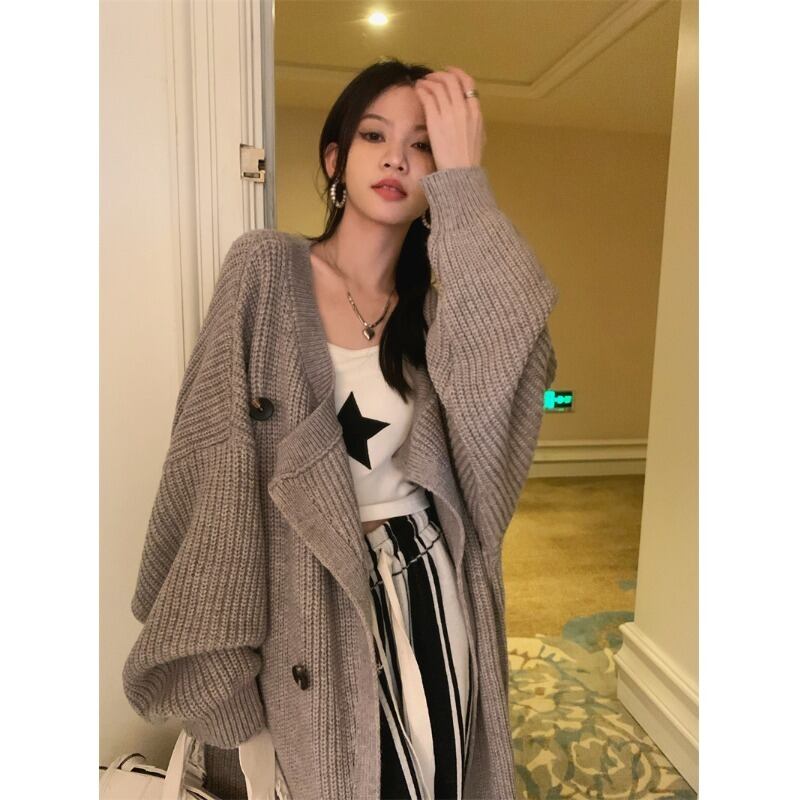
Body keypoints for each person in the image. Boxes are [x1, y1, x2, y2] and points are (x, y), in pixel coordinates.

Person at [123, 58, 559, 800]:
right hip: (304, 598)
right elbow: (210, 464)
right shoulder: (265, 271)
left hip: (427, 591)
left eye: (423, 145)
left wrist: (466, 188)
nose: (397, 159)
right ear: (335, 159)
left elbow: (521, 370)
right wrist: (223, 672)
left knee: (433, 775)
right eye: (374, 136)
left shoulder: (437, 318)